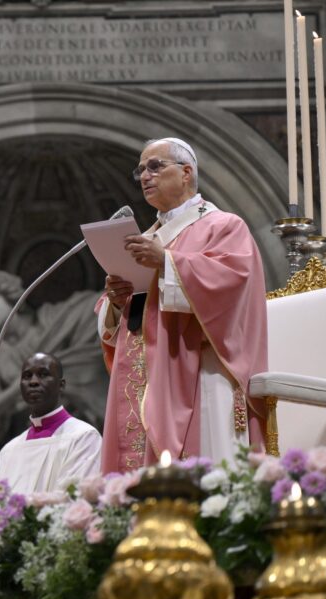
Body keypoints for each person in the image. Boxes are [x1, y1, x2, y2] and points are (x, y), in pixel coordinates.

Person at [97, 137, 267, 472]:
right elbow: (126, 312)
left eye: (155, 166)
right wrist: (116, 302)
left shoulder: (223, 225)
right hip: (148, 374)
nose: (145, 175)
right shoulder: (145, 239)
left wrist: (168, 263)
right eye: (141, 169)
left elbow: (233, 285)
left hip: (202, 368)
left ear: (186, 172)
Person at [0, 271, 106, 437]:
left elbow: (93, 308)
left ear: (10, 296)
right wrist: (14, 391)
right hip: (35, 431)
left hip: (81, 420)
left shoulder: (49, 320)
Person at [0, 353, 101, 494]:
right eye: (27, 376)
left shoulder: (84, 437)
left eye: (43, 375)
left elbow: (77, 498)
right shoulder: (9, 450)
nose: (33, 382)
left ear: (61, 385)